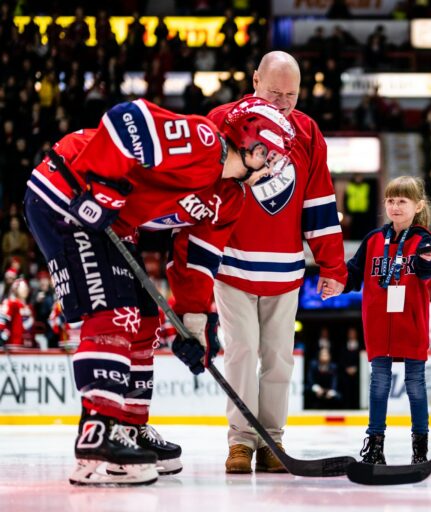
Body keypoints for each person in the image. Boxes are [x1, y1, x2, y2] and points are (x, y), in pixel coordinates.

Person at [23, 96, 295, 486]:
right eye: (274, 156)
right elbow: (125, 119)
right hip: (69, 195)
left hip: (111, 222)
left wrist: (194, 324)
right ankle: (98, 433)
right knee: (114, 315)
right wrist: (103, 187)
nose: (276, 166)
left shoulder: (230, 197)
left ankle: (129, 427)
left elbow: (196, 260)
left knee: (147, 320)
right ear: (255, 145)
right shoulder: (205, 141)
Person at [206, 51, 347, 474]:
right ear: (254, 81)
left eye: (291, 94)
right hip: (232, 266)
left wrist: (332, 266)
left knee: (280, 357)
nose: (284, 103)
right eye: (274, 92)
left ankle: (272, 440)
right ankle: (241, 442)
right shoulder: (222, 120)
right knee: (242, 353)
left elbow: (319, 201)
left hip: (287, 270)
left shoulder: (307, 131)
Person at [344, 176, 431, 465]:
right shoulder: (374, 239)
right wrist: (335, 283)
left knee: (415, 384)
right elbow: (353, 273)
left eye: (402, 201)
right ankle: (375, 446)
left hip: (410, 323)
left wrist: (429, 261)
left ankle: (420, 448)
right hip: (377, 324)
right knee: (378, 384)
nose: (395, 206)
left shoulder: (424, 240)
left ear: (418, 205)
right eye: (391, 200)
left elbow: (427, 273)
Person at [0, 278, 34, 348]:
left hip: (28, 346)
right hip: (13, 345)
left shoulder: (29, 307)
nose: (25, 289)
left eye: (26, 287)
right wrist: (3, 335)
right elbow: (2, 320)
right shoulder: (11, 303)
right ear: (15, 289)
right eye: (23, 287)